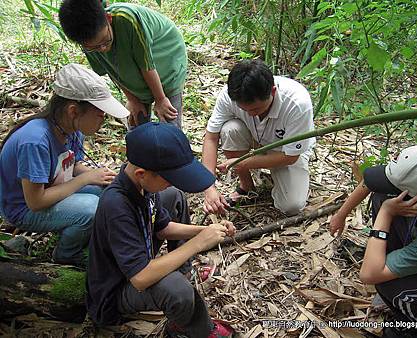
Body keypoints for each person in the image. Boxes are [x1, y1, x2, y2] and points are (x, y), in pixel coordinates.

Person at [87, 122, 236, 337]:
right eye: (169, 178)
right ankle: (190, 328)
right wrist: (199, 243)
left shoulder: (143, 185)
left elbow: (163, 228)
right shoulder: (116, 206)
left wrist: (206, 230)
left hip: (139, 262)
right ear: (141, 173)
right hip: (117, 290)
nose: (172, 182)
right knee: (177, 290)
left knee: (173, 196)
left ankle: (185, 272)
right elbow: (140, 277)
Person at [0, 63, 130, 267]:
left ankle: (79, 234)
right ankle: (66, 255)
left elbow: (72, 163)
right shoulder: (35, 141)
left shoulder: (69, 128)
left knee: (106, 192)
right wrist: (86, 178)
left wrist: (102, 176)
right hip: (24, 208)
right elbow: (36, 201)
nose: (103, 119)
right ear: (73, 110)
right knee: (91, 208)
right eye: (100, 114)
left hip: (52, 186)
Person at [331, 145, 417, 338]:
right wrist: (341, 215)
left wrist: (386, 212)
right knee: (382, 196)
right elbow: (371, 184)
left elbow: (369, 275)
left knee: (389, 285)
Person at [202, 59, 315, 216]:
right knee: (230, 129)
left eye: (256, 109)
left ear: (273, 92)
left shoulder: (297, 103)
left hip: (285, 151)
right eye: (244, 109)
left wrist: (241, 162)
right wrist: (209, 187)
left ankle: (279, 177)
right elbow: (211, 138)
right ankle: (246, 186)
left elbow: (290, 157)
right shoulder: (230, 95)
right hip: (256, 137)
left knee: (291, 206)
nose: (250, 113)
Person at [59, 0, 187, 128]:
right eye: (96, 47)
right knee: (137, 125)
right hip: (134, 71)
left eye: (105, 40)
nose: (103, 48)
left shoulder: (128, 20)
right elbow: (110, 69)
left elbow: (146, 65)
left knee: (170, 125)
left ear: (109, 19)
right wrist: (132, 99)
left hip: (166, 59)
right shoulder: (87, 42)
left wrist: (161, 99)